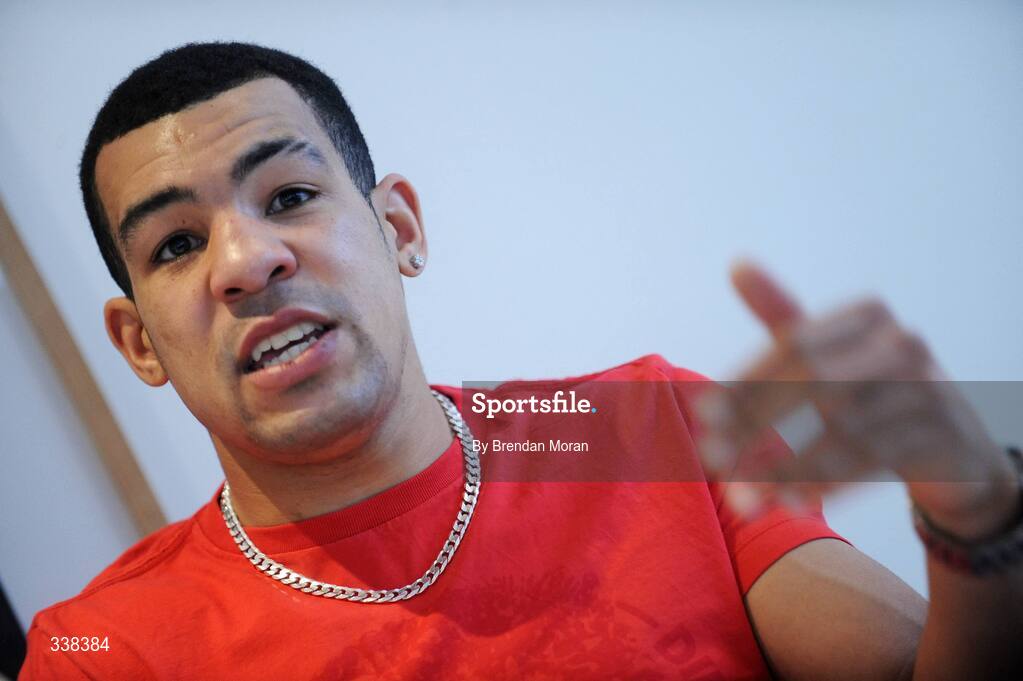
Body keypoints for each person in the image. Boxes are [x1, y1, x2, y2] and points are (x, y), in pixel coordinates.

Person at [18, 42, 1023, 680]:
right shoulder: (104, 651)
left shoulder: (650, 429)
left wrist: (975, 517)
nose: (247, 261)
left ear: (399, 229)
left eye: (289, 196)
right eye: (176, 244)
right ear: (139, 341)